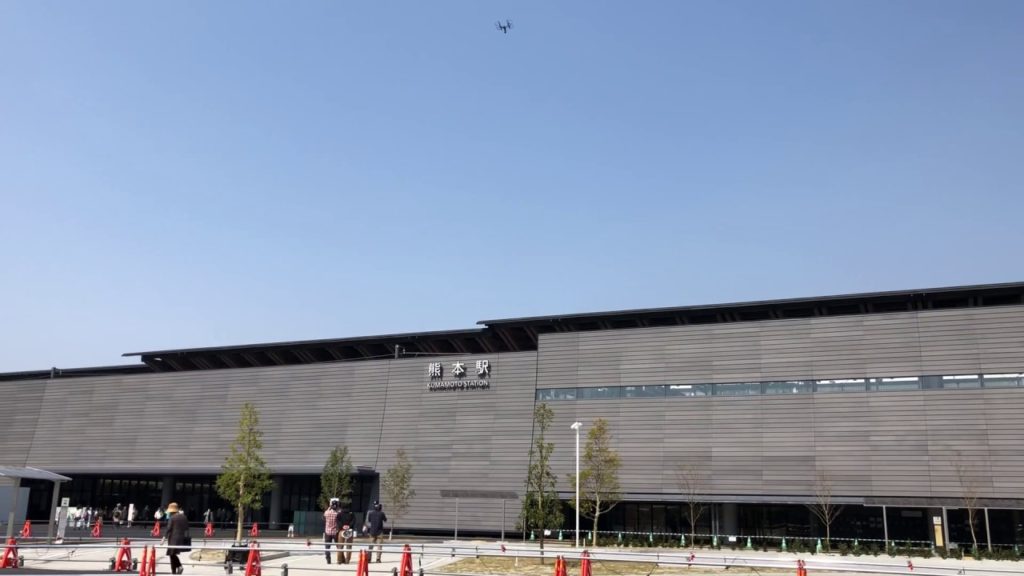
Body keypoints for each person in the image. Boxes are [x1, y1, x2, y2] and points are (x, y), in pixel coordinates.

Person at [162, 502, 189, 575]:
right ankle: (175, 570)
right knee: (172, 554)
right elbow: (186, 528)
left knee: (171, 554)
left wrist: (163, 538)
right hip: (181, 538)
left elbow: (168, 528)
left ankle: (178, 567)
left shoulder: (172, 517)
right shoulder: (184, 517)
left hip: (173, 538)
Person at [322, 498, 341, 564]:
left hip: (328, 532)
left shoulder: (327, 512)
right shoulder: (338, 513)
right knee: (339, 547)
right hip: (335, 532)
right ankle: (339, 559)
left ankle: (328, 560)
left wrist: (329, 507)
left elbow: (323, 518)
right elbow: (340, 515)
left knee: (327, 547)